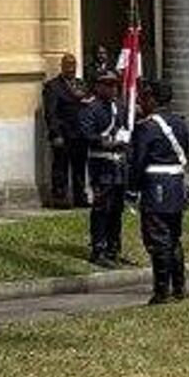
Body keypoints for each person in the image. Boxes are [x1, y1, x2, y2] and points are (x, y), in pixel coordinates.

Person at [127, 79, 189, 305]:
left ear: (153, 99)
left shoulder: (147, 127)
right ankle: (179, 287)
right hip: (176, 184)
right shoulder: (180, 123)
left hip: (156, 187)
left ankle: (162, 290)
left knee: (157, 239)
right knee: (173, 237)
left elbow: (137, 161)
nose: (142, 101)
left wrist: (132, 190)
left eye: (145, 96)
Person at [79, 67, 131, 266]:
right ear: (98, 86)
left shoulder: (119, 106)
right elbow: (86, 135)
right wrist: (108, 143)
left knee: (117, 210)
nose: (113, 89)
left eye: (115, 85)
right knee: (101, 209)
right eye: (108, 85)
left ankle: (113, 249)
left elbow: (125, 129)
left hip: (118, 165)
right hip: (101, 165)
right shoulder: (90, 108)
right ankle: (98, 250)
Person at [41, 54, 88, 208]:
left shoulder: (81, 84)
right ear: (61, 66)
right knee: (61, 167)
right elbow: (51, 112)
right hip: (63, 134)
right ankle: (60, 197)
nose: (71, 68)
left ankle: (80, 196)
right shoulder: (53, 86)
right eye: (67, 65)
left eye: (73, 65)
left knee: (79, 167)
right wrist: (55, 133)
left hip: (80, 134)